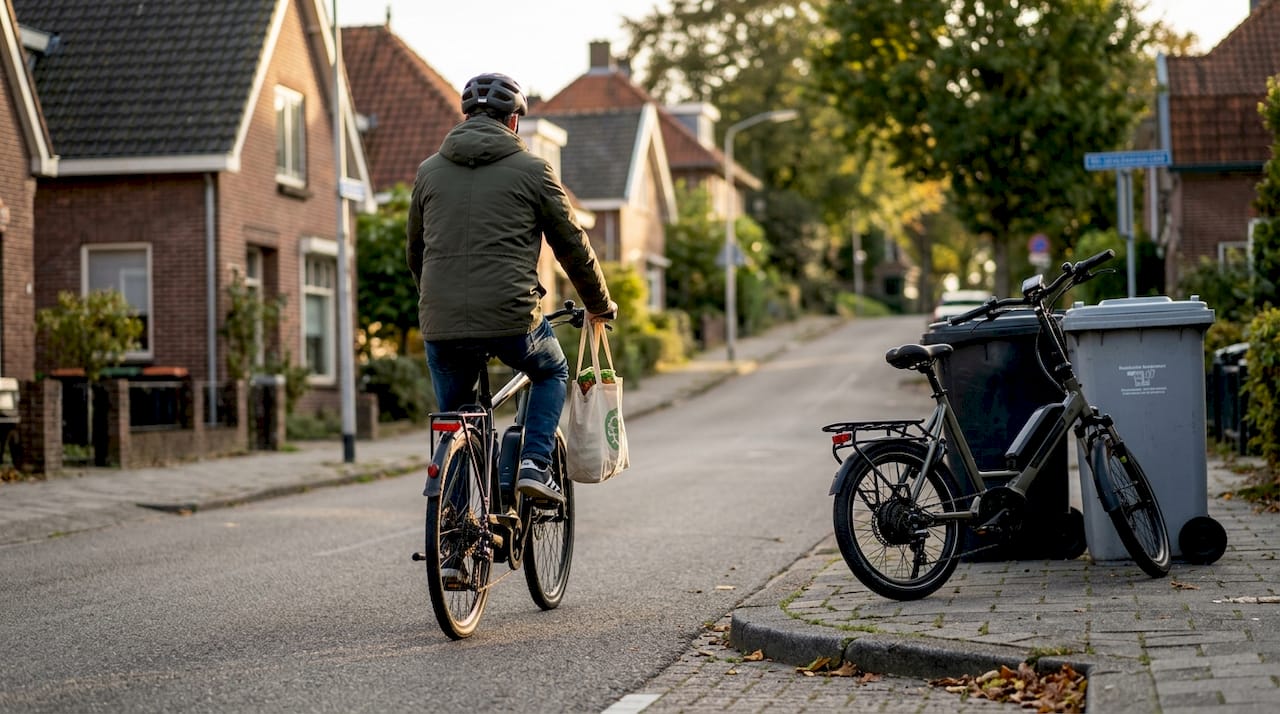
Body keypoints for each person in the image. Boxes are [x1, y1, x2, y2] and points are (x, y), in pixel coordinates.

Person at [406, 72, 616, 507]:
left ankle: (455, 550)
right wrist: (599, 304)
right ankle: (534, 464)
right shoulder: (534, 170)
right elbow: (573, 246)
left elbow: (416, 253)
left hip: (440, 322)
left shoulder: (428, 172)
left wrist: (437, 304)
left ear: (465, 117)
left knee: (457, 416)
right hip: (512, 317)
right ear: (514, 121)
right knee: (551, 371)